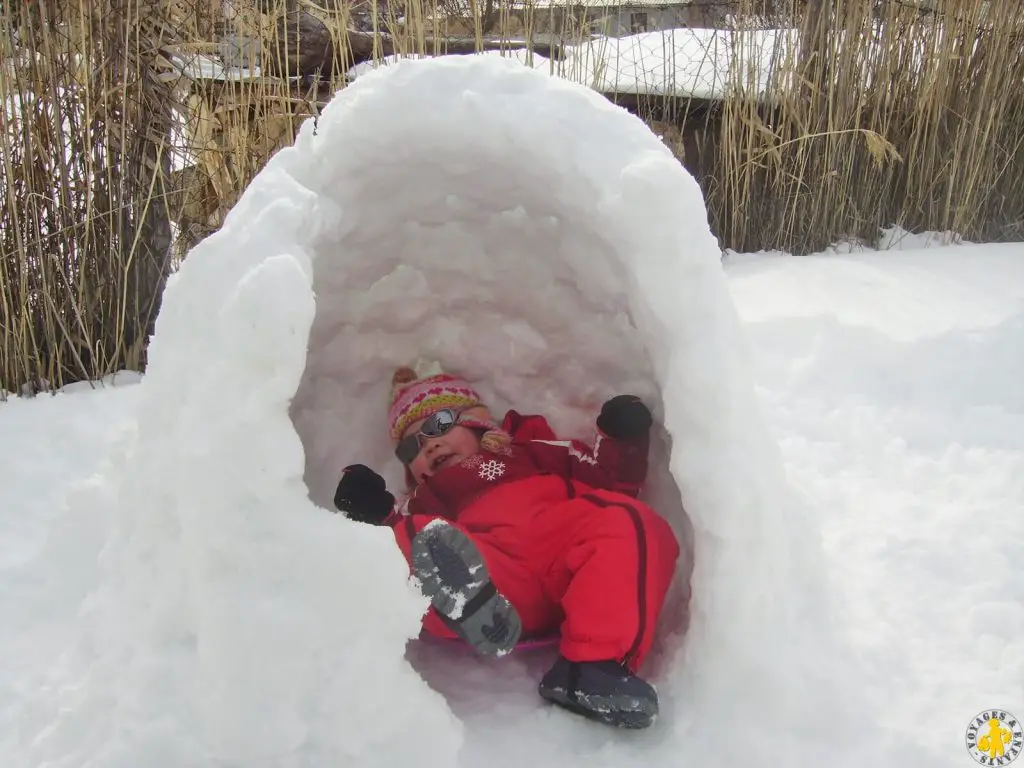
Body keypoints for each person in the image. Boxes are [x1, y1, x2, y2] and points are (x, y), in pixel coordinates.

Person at [333, 366, 682, 729]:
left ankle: (593, 669)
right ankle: (470, 600)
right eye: (411, 446)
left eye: (439, 425)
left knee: (630, 521)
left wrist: (620, 438)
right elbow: (385, 552)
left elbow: (608, 480)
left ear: (477, 423)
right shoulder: (423, 499)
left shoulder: (533, 453)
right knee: (415, 540)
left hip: (565, 554)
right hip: (496, 578)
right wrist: (373, 512)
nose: (429, 444)